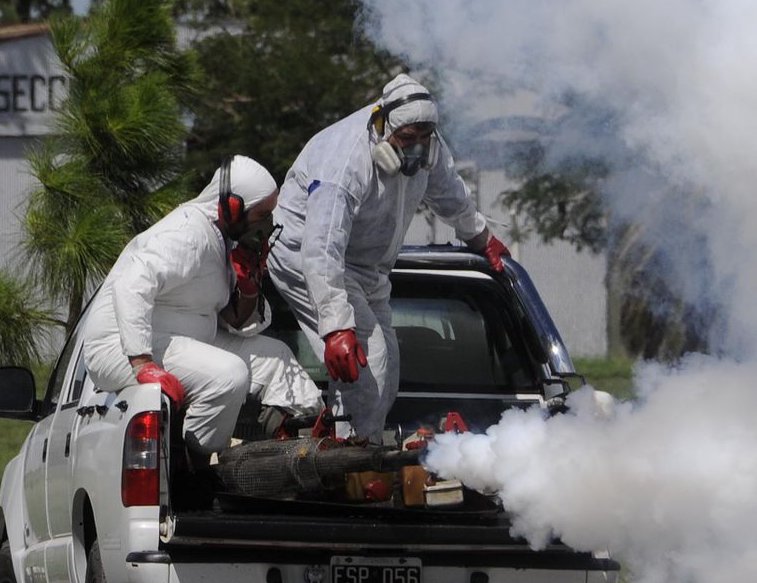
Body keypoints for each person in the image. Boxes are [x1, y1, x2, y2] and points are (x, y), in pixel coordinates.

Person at [267, 73, 509, 442]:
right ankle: (351, 460)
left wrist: (481, 236)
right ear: (381, 126)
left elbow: (449, 194)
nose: (416, 147)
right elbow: (321, 249)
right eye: (407, 138)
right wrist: (336, 327)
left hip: (369, 268)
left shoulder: (430, 147)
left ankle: (352, 450)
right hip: (306, 258)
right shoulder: (345, 161)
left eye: (424, 137)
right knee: (367, 365)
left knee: (387, 366)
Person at [82, 156, 323, 457]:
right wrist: (142, 363)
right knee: (227, 375)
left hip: (185, 337)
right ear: (232, 207)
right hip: (119, 347)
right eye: (262, 214)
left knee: (277, 358)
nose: (267, 224)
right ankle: (201, 463)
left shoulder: (221, 240)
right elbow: (132, 282)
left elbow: (231, 320)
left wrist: (248, 289)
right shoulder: (188, 234)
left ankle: (307, 443)